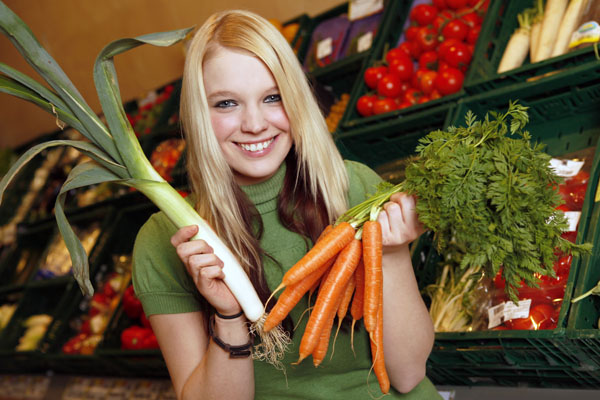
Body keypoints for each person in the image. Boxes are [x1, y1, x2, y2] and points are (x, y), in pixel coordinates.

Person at [132, 9, 441, 400]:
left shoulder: (355, 186)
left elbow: (409, 374)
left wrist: (393, 253)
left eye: (272, 97)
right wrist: (229, 315)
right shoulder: (166, 241)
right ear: (197, 115)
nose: (255, 123)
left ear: (295, 99)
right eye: (226, 103)